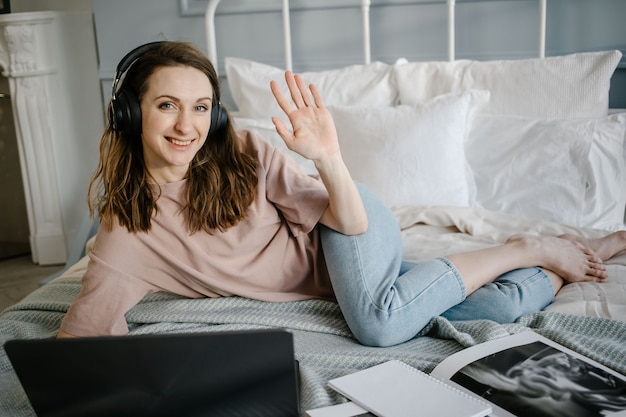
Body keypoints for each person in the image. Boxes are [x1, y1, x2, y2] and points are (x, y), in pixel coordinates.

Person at [57, 41, 626, 347]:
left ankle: (522, 247)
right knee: (496, 308)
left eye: (201, 106)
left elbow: (350, 222)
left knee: (378, 324)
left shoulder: (245, 152)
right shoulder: (123, 234)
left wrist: (328, 157)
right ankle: (568, 258)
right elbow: (84, 333)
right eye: (166, 105)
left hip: (350, 224)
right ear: (131, 113)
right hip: (337, 284)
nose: (188, 125)